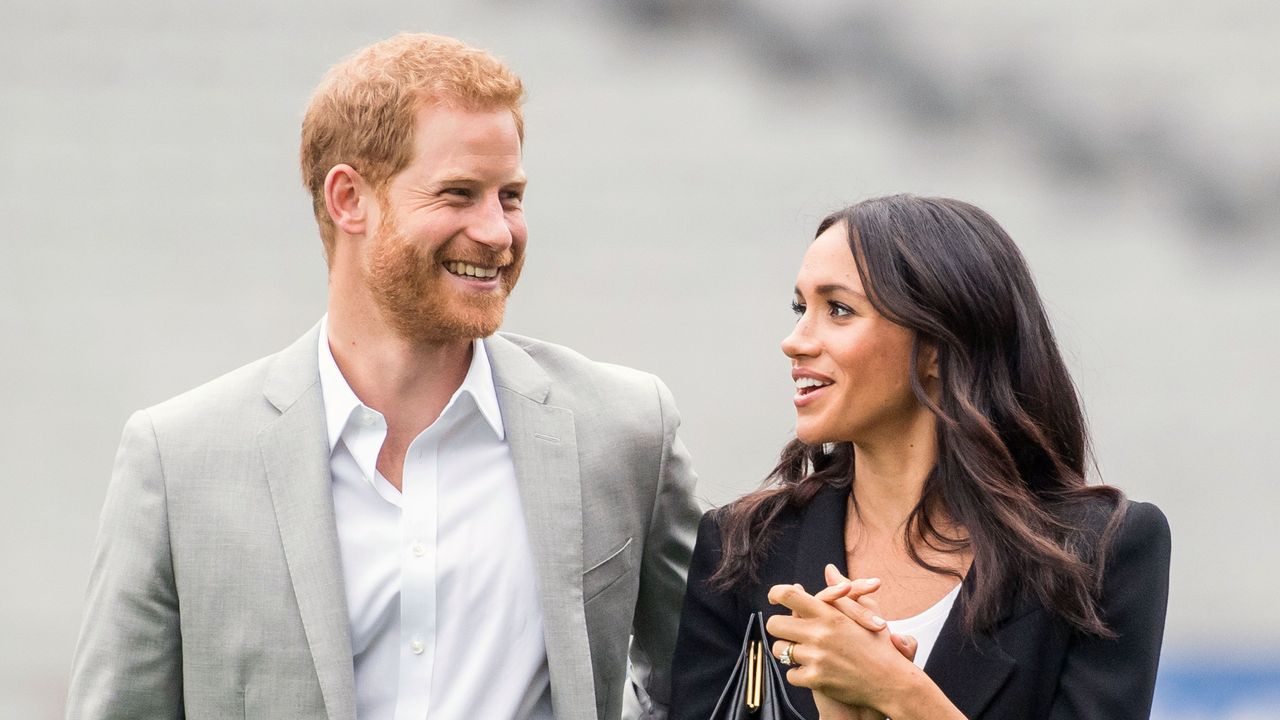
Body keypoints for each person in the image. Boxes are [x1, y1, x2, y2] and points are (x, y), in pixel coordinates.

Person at [66, 33, 701, 720]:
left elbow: (705, 680)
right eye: (459, 194)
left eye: (510, 196)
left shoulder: (625, 430)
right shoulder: (177, 461)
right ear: (350, 199)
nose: (498, 232)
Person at [670, 195, 1170, 720]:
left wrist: (897, 692)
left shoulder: (1101, 550)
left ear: (937, 346)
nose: (794, 342)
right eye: (801, 309)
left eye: (838, 309)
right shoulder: (741, 549)